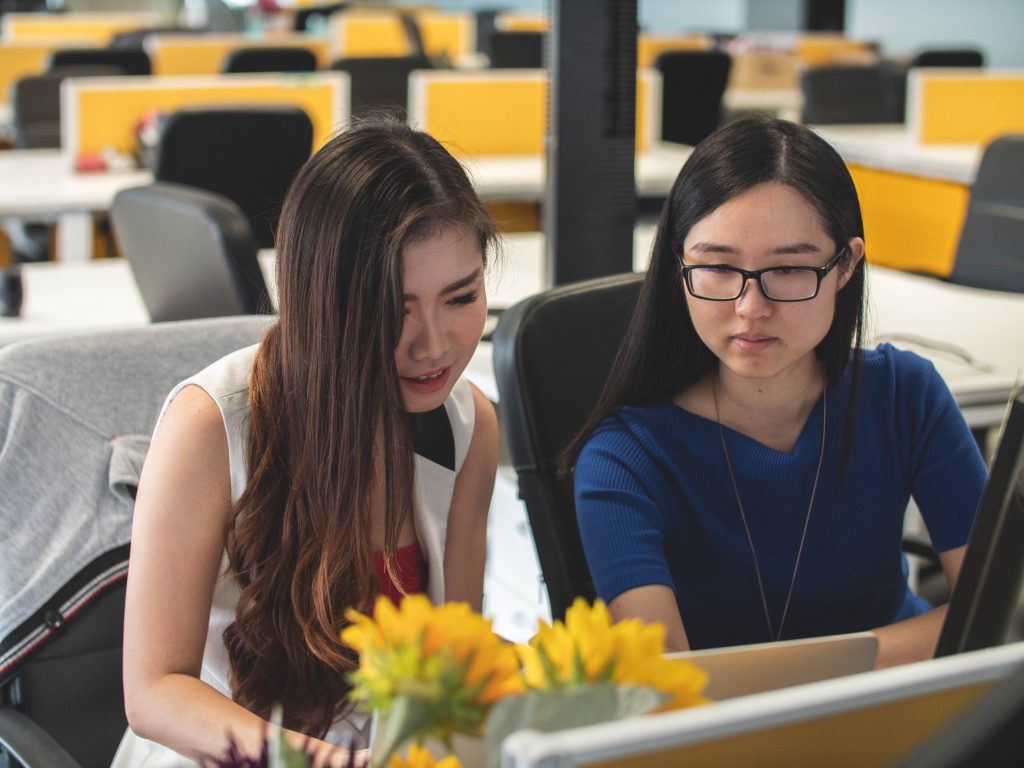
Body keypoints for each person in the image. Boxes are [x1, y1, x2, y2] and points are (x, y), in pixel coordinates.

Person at [113, 118, 500, 767]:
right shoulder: (211, 425)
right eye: (394, 308)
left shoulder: (466, 429)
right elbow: (153, 691)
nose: (433, 344)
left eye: (460, 298)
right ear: (324, 298)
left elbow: (451, 667)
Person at [570, 116, 986, 669]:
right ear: (679, 264)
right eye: (718, 266)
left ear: (846, 266)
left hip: (903, 711)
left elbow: (993, 608)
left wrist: (811, 672)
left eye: (788, 268)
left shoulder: (905, 397)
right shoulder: (625, 458)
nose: (751, 308)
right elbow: (665, 682)